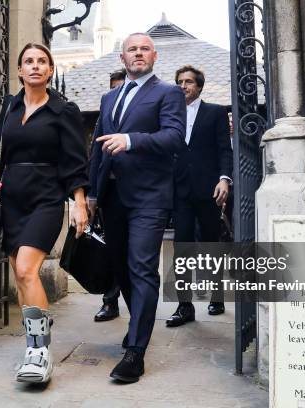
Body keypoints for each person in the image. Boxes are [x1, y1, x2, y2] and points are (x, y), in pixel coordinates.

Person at [0, 43, 89, 384]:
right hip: (12, 198)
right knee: (20, 273)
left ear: (51, 69)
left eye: (42, 61)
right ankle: (38, 321)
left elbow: (74, 159)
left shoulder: (63, 110)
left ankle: (38, 351)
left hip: (46, 198)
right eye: (29, 61)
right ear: (19, 71)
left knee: (28, 269)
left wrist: (79, 202)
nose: (36, 66)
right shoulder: (10, 107)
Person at [88, 33, 186, 383]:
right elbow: (98, 147)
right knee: (122, 269)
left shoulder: (168, 93)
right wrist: (91, 194)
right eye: (133, 49)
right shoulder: (108, 96)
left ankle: (136, 352)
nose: (139, 53)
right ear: (123, 56)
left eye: (145, 49)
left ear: (155, 56)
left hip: (149, 197)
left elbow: (175, 137)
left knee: (142, 268)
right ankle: (137, 324)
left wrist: (131, 140)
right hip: (111, 198)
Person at [166, 65, 233, 328]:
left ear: (199, 86)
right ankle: (184, 306)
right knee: (181, 248)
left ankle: (217, 296)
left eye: (189, 82)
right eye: (180, 82)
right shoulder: (169, 115)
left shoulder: (215, 112)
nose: (183, 86)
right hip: (180, 192)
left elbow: (224, 151)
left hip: (209, 190)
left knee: (210, 245)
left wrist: (224, 179)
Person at [93, 68, 126, 322]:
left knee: (137, 256)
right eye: (113, 87)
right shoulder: (106, 108)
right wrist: (92, 194)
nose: (118, 92)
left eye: (121, 87)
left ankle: (139, 309)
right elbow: (95, 153)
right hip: (110, 191)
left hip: (140, 193)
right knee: (111, 248)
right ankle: (110, 301)